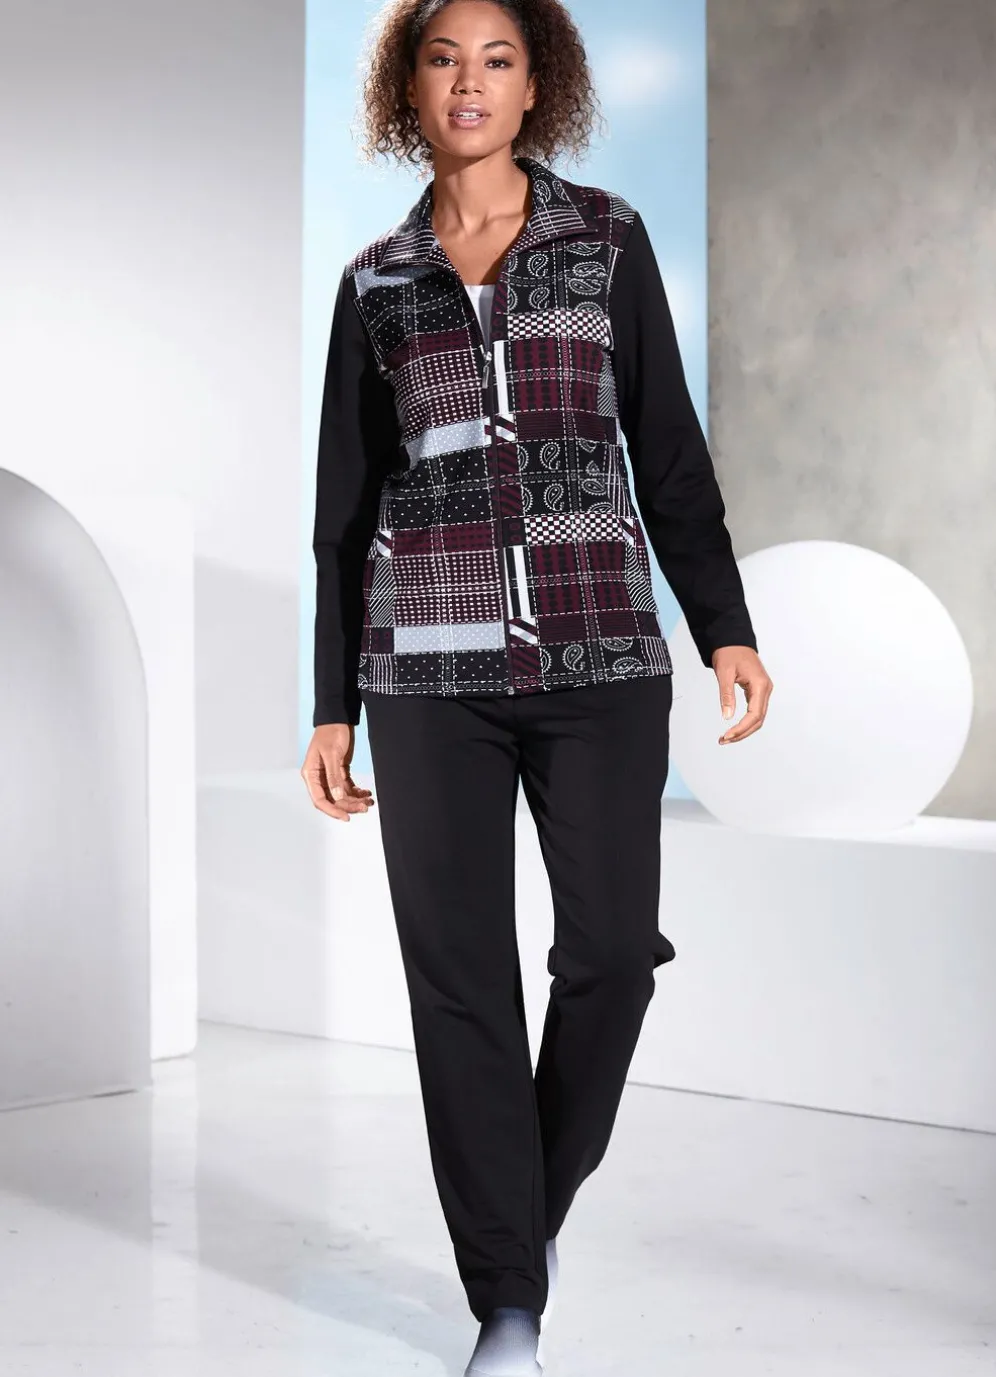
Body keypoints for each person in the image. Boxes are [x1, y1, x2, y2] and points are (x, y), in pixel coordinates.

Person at [301, 1, 774, 1372]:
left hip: (601, 655)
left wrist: (723, 623)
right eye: (444, 57)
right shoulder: (376, 282)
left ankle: (526, 1213)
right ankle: (507, 1299)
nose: (470, 81)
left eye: (498, 60)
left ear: (535, 86)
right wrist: (331, 705)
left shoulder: (606, 240)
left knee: (612, 957)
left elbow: (666, 448)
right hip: (424, 672)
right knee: (457, 982)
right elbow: (345, 514)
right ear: (408, 87)